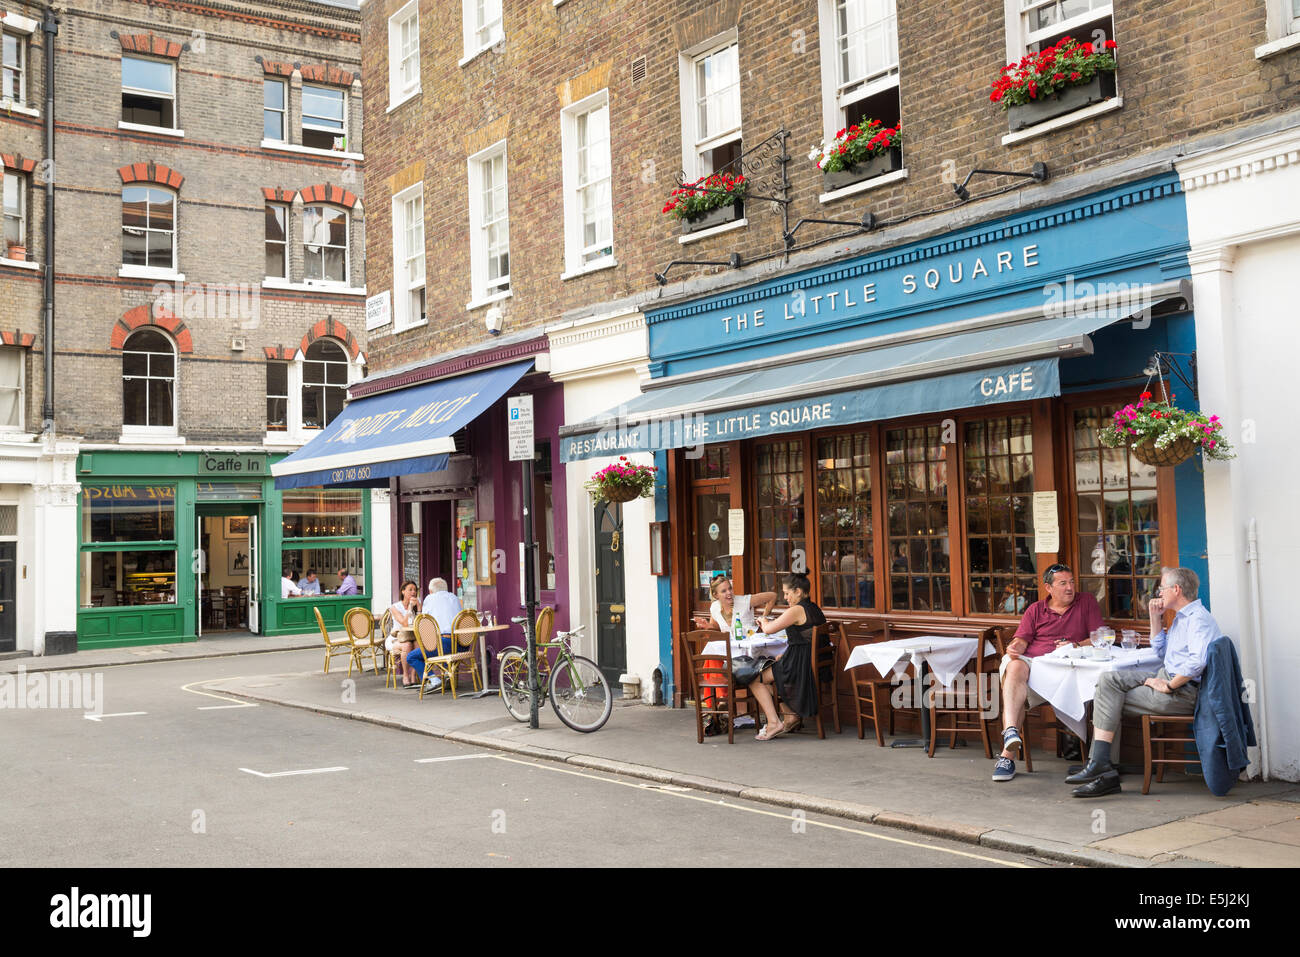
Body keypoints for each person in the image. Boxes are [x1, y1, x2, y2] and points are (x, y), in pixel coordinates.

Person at [1068, 567, 1217, 797]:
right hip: (1166, 675)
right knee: (1108, 680)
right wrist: (1154, 618)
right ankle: (1101, 765)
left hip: (1183, 691)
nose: (1159, 594)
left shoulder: (1198, 620)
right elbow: (1160, 651)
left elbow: (1198, 662)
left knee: (1106, 697)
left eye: (1162, 588)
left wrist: (1169, 685)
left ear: (1176, 590)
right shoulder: (1182, 617)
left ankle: (1102, 769)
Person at [993, 564, 1102, 782]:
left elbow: (1099, 638)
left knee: (1015, 693)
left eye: (1071, 582)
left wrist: (1075, 645)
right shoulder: (1035, 609)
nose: (1070, 587)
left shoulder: (1086, 601)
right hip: (1037, 670)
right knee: (1014, 666)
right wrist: (1015, 647)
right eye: (1063, 583)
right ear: (1048, 588)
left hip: (1069, 673)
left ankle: (1007, 753)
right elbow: (1022, 640)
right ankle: (1010, 740)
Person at [746, 573, 827, 741]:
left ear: (798, 591)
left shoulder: (797, 610)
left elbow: (769, 629)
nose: (785, 597)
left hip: (799, 665)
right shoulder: (814, 608)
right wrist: (784, 654)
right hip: (810, 661)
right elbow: (805, 639)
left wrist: (763, 620)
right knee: (773, 667)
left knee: (755, 679)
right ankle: (790, 717)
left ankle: (774, 723)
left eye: (787, 593)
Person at [699, 575, 776, 735]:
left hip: (749, 654)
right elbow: (715, 627)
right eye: (724, 591)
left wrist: (762, 618)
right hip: (730, 654)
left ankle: (720, 705)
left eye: (730, 589)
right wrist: (707, 626)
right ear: (716, 595)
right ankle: (721, 705)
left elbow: (772, 596)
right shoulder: (714, 608)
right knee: (713, 658)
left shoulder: (745, 600)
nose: (729, 593)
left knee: (714, 660)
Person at [386, 581, 425, 689]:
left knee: (418, 644)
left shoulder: (418, 604)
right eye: (410, 590)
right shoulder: (395, 607)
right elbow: (404, 623)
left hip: (413, 635)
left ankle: (413, 676)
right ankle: (405, 675)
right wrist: (409, 608)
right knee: (407, 645)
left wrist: (419, 608)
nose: (413, 592)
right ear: (403, 591)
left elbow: (421, 622)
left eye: (415, 590)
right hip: (397, 637)